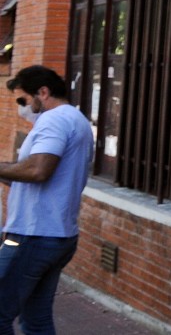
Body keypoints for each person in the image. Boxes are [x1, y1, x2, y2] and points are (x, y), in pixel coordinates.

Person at [0, 65, 94, 335]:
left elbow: (38, 170)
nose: (22, 107)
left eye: (23, 100)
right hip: (56, 235)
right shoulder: (75, 119)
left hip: (33, 234)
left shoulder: (54, 120)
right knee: (36, 318)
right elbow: (32, 174)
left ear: (43, 92)